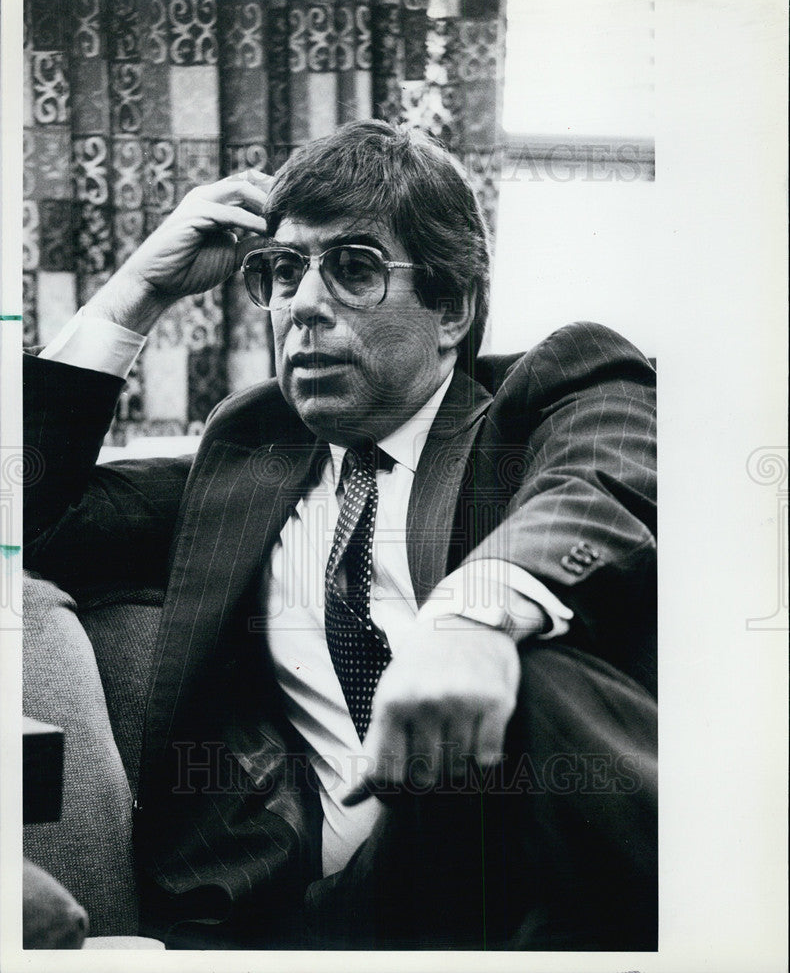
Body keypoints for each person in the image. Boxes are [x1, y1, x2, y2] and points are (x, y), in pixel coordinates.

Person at [24, 119, 657, 950]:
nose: (305, 306)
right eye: (283, 272)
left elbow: (604, 481)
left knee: (536, 680)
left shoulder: (540, 397)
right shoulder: (248, 450)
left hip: (504, 873)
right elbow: (31, 517)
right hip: (307, 912)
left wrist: (473, 619)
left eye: (354, 270)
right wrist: (136, 290)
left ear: (452, 308)